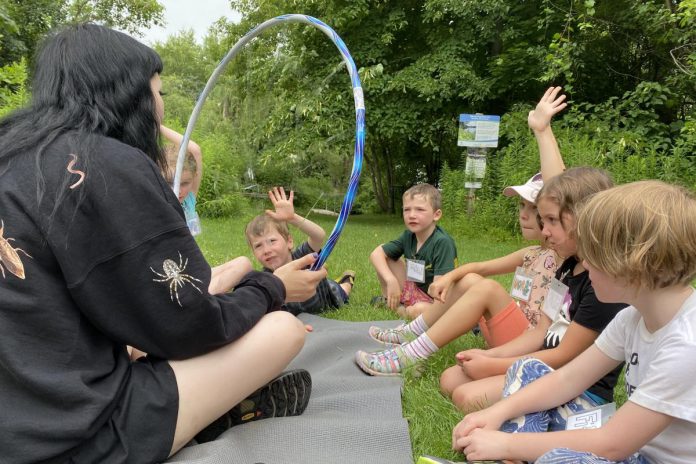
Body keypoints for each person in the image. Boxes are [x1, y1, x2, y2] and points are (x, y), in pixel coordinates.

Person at [0, 23, 327, 463]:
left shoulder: (13, 156)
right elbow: (191, 328)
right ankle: (206, 418)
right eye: (159, 92)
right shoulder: (105, 165)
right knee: (282, 330)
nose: (160, 106)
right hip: (72, 436)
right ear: (130, 94)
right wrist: (276, 289)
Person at [451, 180, 696, 464]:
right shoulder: (631, 318)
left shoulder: (687, 345)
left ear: (636, 262)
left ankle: (516, 450)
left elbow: (612, 444)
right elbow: (567, 378)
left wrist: (507, 444)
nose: (586, 263)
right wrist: (495, 412)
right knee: (529, 370)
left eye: (595, 253)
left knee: (568, 459)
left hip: (640, 455)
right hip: (634, 450)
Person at [440, 167, 626, 413]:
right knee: (450, 379)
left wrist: (494, 367)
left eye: (552, 221)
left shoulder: (603, 284)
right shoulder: (568, 267)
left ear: (585, 219)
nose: (545, 231)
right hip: (543, 368)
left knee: (468, 397)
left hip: (580, 387)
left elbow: (564, 356)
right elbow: (540, 331)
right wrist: (492, 356)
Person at [355, 174, 559, 376]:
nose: (524, 214)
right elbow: (480, 267)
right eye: (522, 206)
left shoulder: (563, 257)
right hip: (510, 334)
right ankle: (412, 333)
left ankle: (412, 353)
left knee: (488, 289)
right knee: (470, 279)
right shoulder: (532, 253)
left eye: (534, 208)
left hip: (530, 345)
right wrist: (449, 278)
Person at [161, 124, 253, 295]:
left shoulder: (188, 199)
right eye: (170, 182)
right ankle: (201, 298)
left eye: (185, 183)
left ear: (194, 178)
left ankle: (202, 296)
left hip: (193, 270)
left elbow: (194, 150)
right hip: (171, 276)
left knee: (244, 263)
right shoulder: (158, 201)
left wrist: (157, 125)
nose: (178, 190)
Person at [245, 186, 356, 315]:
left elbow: (318, 236)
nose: (266, 250)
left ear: (289, 242)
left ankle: (347, 279)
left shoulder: (302, 256)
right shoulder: (264, 280)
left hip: (329, 297)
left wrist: (292, 218)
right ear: (253, 252)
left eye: (272, 241)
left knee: (343, 290)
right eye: (258, 246)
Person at [370, 183, 458, 318]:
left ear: (436, 215)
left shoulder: (442, 242)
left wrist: (417, 307)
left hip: (440, 301)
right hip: (415, 290)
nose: (412, 215)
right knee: (386, 258)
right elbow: (376, 254)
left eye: (419, 210)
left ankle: (399, 308)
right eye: (407, 210)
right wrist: (390, 280)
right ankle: (390, 299)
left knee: (417, 310)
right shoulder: (408, 236)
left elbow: (441, 295)